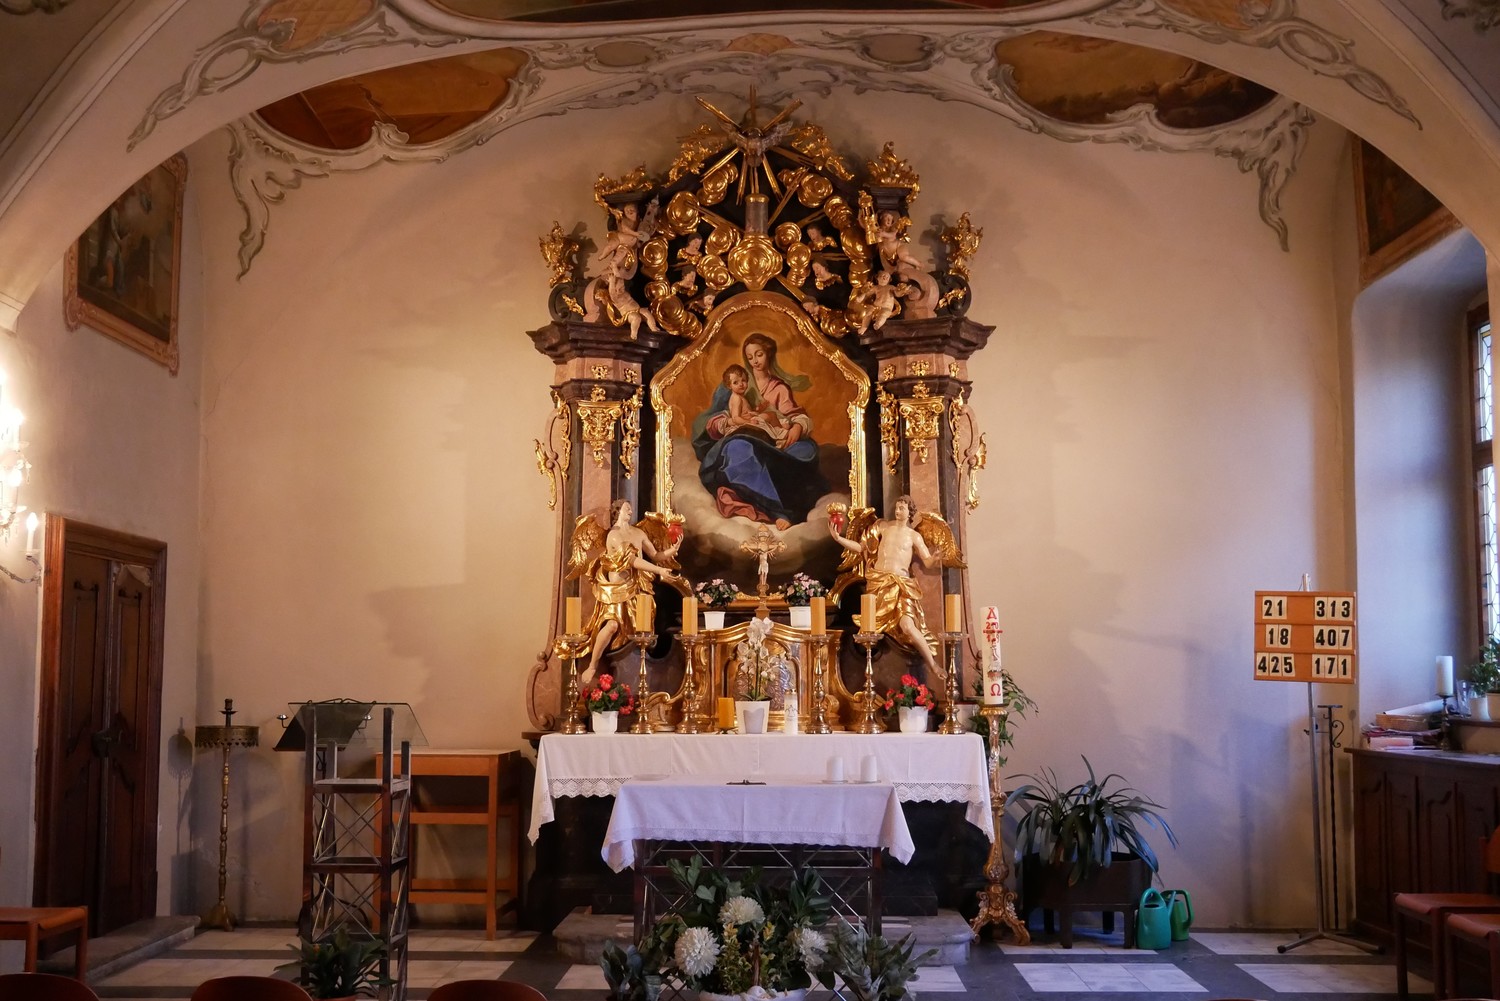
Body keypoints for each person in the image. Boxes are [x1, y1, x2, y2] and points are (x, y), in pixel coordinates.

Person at [692, 332, 829, 529]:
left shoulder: (779, 388)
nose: (755, 361)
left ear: (769, 354)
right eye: (750, 357)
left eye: (759, 354)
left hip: (772, 442)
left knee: (806, 450)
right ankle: (776, 510)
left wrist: (797, 427)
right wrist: (730, 422)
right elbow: (710, 419)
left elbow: (792, 415)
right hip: (744, 437)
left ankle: (775, 498)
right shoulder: (733, 382)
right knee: (738, 448)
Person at [828, 494, 940, 675]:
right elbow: (861, 548)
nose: (897, 511)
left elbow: (926, 561)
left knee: (908, 627)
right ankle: (868, 671)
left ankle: (933, 665)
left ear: (910, 512)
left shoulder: (914, 536)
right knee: (868, 631)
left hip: (901, 585)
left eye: (902, 508)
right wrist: (838, 539)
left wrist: (934, 559)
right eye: (896, 507)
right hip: (879, 583)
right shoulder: (883, 527)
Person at [578, 499, 679, 685]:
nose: (631, 511)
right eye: (627, 508)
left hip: (637, 586)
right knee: (611, 626)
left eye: (631, 508)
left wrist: (671, 551)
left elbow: (655, 555)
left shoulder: (638, 533)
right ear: (617, 511)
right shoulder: (613, 535)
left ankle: (638, 672)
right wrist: (659, 570)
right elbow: (631, 560)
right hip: (617, 590)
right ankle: (593, 665)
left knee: (640, 630)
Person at [721, 363, 788, 442]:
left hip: (750, 419)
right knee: (771, 415)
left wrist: (758, 409)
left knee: (769, 416)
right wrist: (749, 421)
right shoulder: (736, 398)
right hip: (746, 423)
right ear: (729, 386)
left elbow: (746, 411)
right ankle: (779, 431)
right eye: (735, 382)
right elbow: (735, 418)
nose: (741, 384)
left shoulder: (740, 397)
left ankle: (777, 429)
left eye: (743, 380)